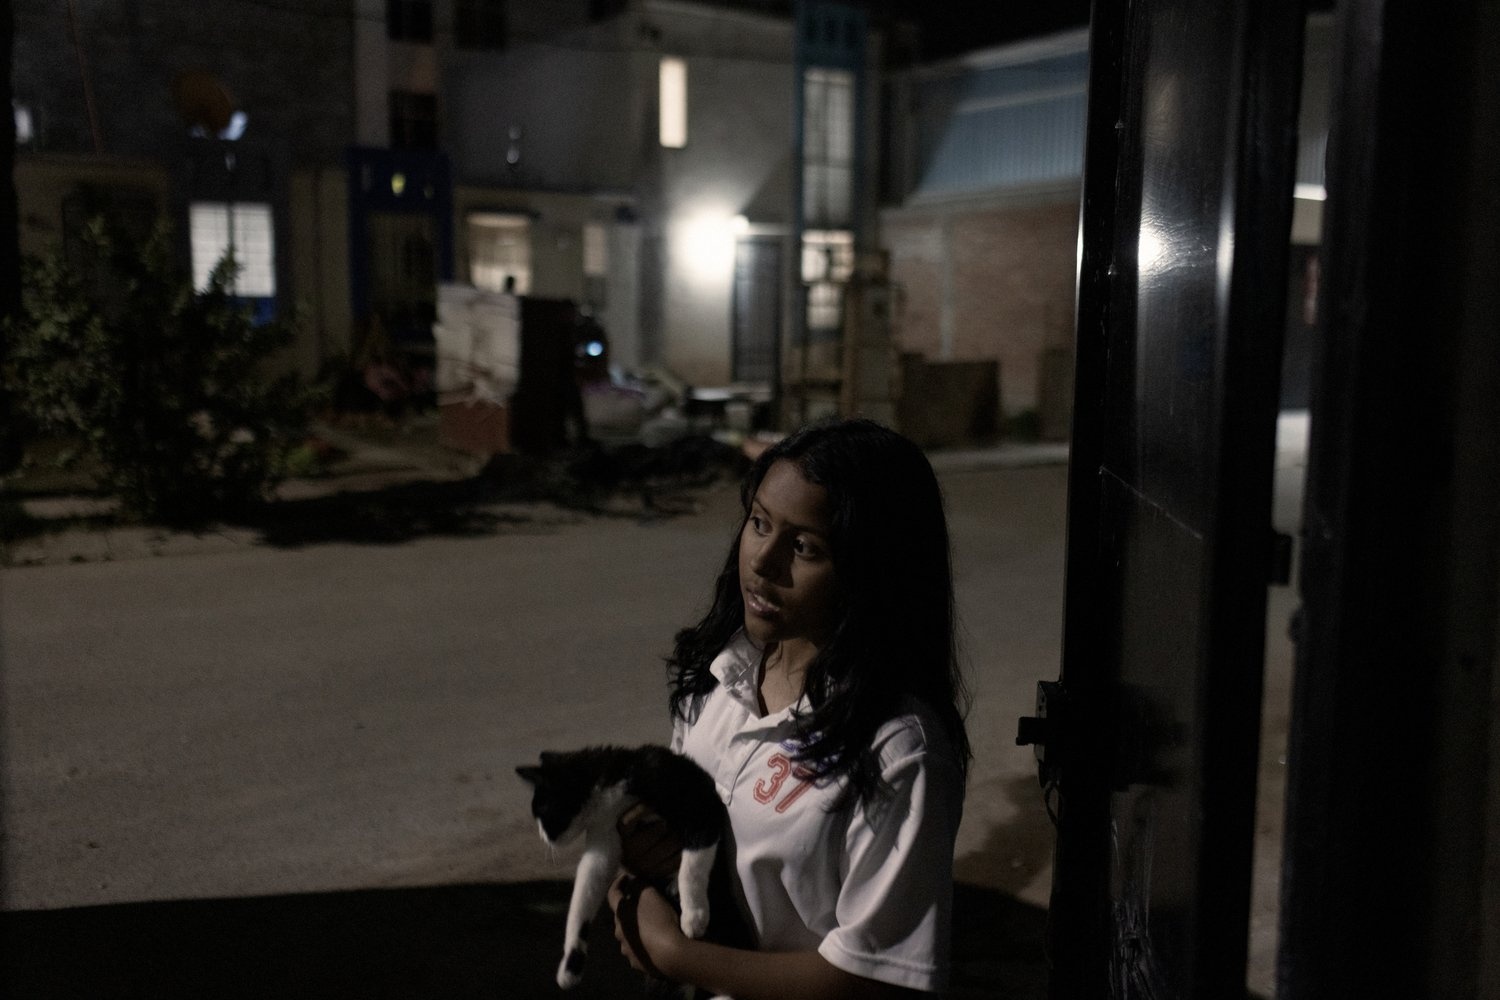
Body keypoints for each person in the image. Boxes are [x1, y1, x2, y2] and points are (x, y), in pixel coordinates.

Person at [608, 418, 972, 1000]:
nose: (763, 561)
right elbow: (671, 840)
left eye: (804, 546)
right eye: (759, 523)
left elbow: (876, 978)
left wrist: (681, 956)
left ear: (873, 570)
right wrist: (629, 858)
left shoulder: (899, 751)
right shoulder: (720, 674)